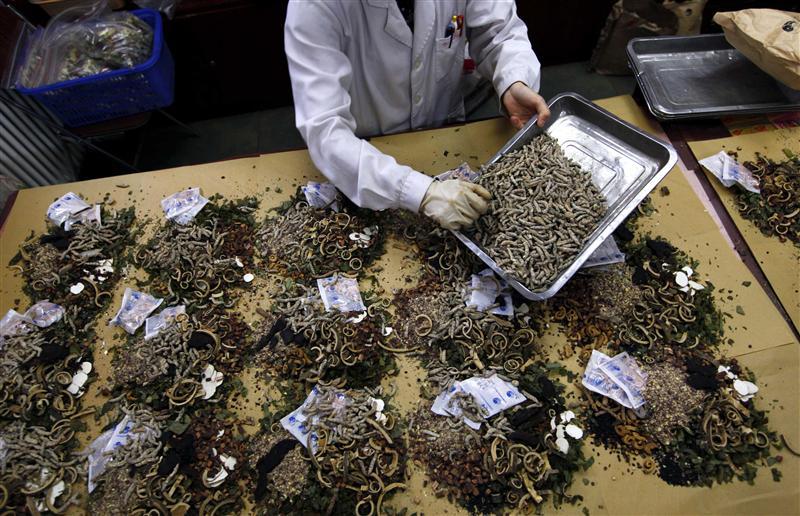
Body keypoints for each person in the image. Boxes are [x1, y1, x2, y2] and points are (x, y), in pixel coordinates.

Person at [284, 0, 550, 230]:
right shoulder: (313, 6)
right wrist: (420, 193)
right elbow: (325, 129)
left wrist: (514, 81)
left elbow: (499, 33)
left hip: (446, 131)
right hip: (368, 156)